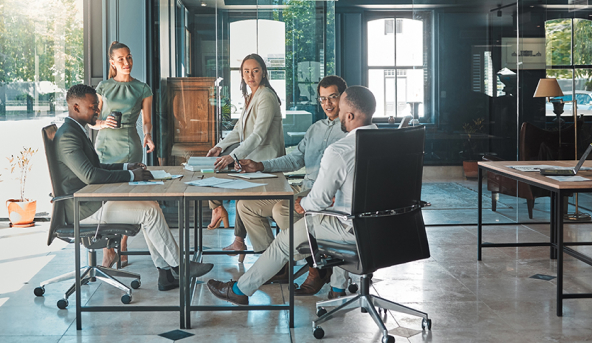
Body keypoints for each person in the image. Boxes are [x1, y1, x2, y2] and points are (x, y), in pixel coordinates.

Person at [206, 86, 378, 304]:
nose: (333, 109)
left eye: (340, 107)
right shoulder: (390, 144)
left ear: (350, 115)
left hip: (348, 227)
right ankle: (336, 286)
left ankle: (239, 291)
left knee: (283, 241)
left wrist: (303, 203)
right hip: (382, 230)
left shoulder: (341, 150)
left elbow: (319, 200)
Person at [56, 84, 213, 291]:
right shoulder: (68, 135)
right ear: (76, 107)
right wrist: (131, 175)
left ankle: (165, 274)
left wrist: (125, 166)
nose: (97, 110)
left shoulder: (76, 130)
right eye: (93, 106)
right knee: (149, 212)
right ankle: (181, 266)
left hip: (92, 200)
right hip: (82, 208)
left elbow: (95, 167)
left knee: (150, 205)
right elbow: (90, 175)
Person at [223, 76, 348, 295]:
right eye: (322, 99)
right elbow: (294, 159)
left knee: (282, 209)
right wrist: (261, 165)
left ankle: (316, 267)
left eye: (333, 97)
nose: (327, 104)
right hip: (303, 188)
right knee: (246, 206)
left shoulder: (350, 131)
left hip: (327, 194)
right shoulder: (315, 128)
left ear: (344, 98)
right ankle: (276, 265)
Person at [90, 41, 155, 268]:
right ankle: (109, 249)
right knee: (106, 199)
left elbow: (147, 121)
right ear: (112, 63)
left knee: (129, 197)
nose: (127, 63)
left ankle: (123, 246)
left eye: (129, 57)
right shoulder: (103, 87)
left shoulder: (142, 88)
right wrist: (100, 123)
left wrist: (147, 135)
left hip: (130, 145)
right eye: (121, 59)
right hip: (106, 145)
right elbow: (91, 120)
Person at [205, 53, 285, 230]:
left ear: (263, 72)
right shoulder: (250, 97)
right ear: (241, 74)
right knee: (214, 163)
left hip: (265, 159)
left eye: (255, 71)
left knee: (229, 174)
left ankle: (237, 236)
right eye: (246, 71)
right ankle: (218, 210)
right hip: (252, 156)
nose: (250, 76)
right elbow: (238, 131)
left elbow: (258, 135)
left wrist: (232, 156)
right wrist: (220, 147)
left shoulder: (266, 96)